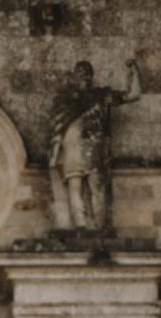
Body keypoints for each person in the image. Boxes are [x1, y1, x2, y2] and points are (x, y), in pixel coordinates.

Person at [48, 59, 141, 231]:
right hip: (72, 144)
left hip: (94, 146)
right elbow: (57, 127)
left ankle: (99, 227)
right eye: (80, 73)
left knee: (97, 184)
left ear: (91, 76)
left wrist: (133, 71)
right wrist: (55, 151)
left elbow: (133, 95)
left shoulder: (100, 96)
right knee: (75, 184)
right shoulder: (64, 99)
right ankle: (80, 226)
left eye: (87, 73)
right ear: (75, 76)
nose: (84, 76)